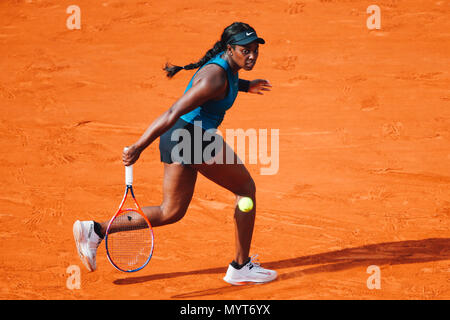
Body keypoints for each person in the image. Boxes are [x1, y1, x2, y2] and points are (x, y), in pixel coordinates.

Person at [73, 22, 277, 285]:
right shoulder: (215, 77)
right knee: (246, 189)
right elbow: (173, 112)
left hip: (177, 140)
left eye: (254, 50)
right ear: (230, 49)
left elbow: (226, 85)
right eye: (244, 50)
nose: (251, 56)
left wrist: (246, 85)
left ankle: (95, 230)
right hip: (192, 138)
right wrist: (139, 146)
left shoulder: (227, 68)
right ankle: (240, 266)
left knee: (170, 211)